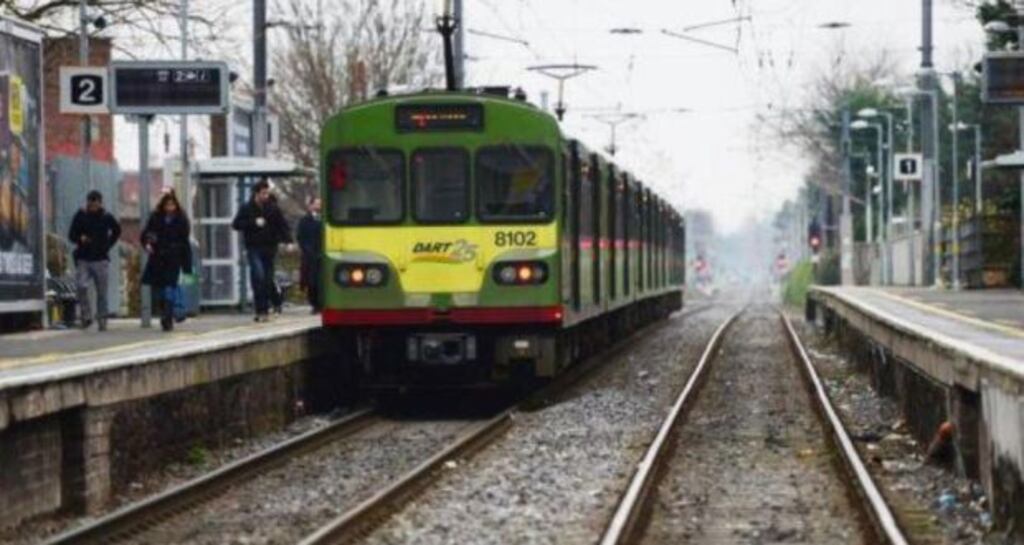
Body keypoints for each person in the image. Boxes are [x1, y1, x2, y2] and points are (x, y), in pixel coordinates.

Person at [232, 180, 290, 322]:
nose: (266, 196)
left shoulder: (273, 208)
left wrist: (288, 241)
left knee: (267, 279)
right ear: (256, 193)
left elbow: (282, 225)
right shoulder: (246, 208)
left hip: (270, 247)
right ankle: (261, 310)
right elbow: (236, 224)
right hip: (254, 247)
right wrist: (253, 223)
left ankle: (274, 301)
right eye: (263, 193)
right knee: (258, 276)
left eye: (267, 193)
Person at [68, 190, 121, 331]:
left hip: (101, 259)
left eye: (96, 203)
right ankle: (86, 316)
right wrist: (81, 238)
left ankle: (102, 318)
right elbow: (71, 235)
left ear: (100, 203)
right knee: (81, 286)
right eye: (91, 203)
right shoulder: (80, 216)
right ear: (88, 202)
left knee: (101, 291)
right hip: (83, 258)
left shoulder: (106, 217)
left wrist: (108, 244)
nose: (93, 206)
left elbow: (117, 230)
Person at [141, 192, 193, 331]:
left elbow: (184, 242)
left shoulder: (181, 220)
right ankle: (165, 311)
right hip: (158, 258)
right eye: (167, 205)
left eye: (172, 205)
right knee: (160, 289)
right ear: (163, 205)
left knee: (170, 287)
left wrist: (187, 265)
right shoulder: (156, 218)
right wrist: (148, 243)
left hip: (173, 259)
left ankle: (168, 316)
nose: (170, 208)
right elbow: (147, 234)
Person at [296, 197, 323, 313]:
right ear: (311, 205)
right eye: (316, 204)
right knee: (311, 281)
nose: (319, 206)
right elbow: (300, 236)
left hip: (322, 254)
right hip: (310, 255)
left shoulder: (325, 219)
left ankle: (321, 304)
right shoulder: (305, 220)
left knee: (320, 281)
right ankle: (314, 304)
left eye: (320, 204)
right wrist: (307, 250)